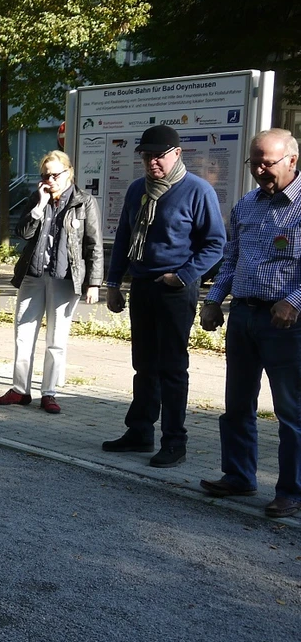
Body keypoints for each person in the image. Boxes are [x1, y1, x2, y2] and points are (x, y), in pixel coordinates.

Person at [102, 124, 225, 466]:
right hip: (141, 285)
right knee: (143, 365)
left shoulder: (197, 191)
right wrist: (113, 284)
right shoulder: (137, 190)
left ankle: (174, 441)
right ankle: (140, 431)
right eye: (146, 156)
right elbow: (124, 237)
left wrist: (183, 275)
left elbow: (216, 244)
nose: (152, 162)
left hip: (175, 289)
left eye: (159, 156)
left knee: (172, 367)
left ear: (176, 154)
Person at [199, 128, 301, 517]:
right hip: (243, 315)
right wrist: (212, 300)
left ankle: (292, 490)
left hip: (287, 324)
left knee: (291, 412)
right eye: (254, 162)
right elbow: (232, 258)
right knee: (237, 403)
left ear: (292, 160)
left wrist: (293, 301)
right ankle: (239, 476)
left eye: (267, 162)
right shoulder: (246, 205)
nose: (259, 169)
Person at [0, 150, 103, 414]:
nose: (50, 179)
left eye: (55, 174)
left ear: (69, 172)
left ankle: (49, 392)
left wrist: (94, 283)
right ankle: (20, 390)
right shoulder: (36, 198)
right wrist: (40, 206)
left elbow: (94, 244)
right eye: (45, 175)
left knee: (56, 338)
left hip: (65, 277)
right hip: (34, 275)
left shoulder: (84, 202)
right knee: (23, 334)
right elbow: (23, 232)